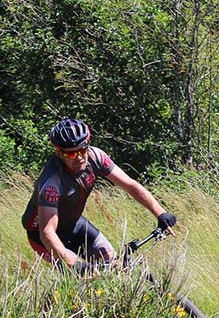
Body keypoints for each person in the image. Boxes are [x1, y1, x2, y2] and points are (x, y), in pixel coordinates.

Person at [22, 118, 177, 275]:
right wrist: (73, 264)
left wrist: (160, 212)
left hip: (74, 224)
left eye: (82, 150)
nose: (79, 157)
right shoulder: (52, 183)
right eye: (71, 153)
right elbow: (47, 232)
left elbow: (130, 186)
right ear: (59, 153)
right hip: (43, 237)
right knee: (82, 277)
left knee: (115, 266)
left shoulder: (96, 157)